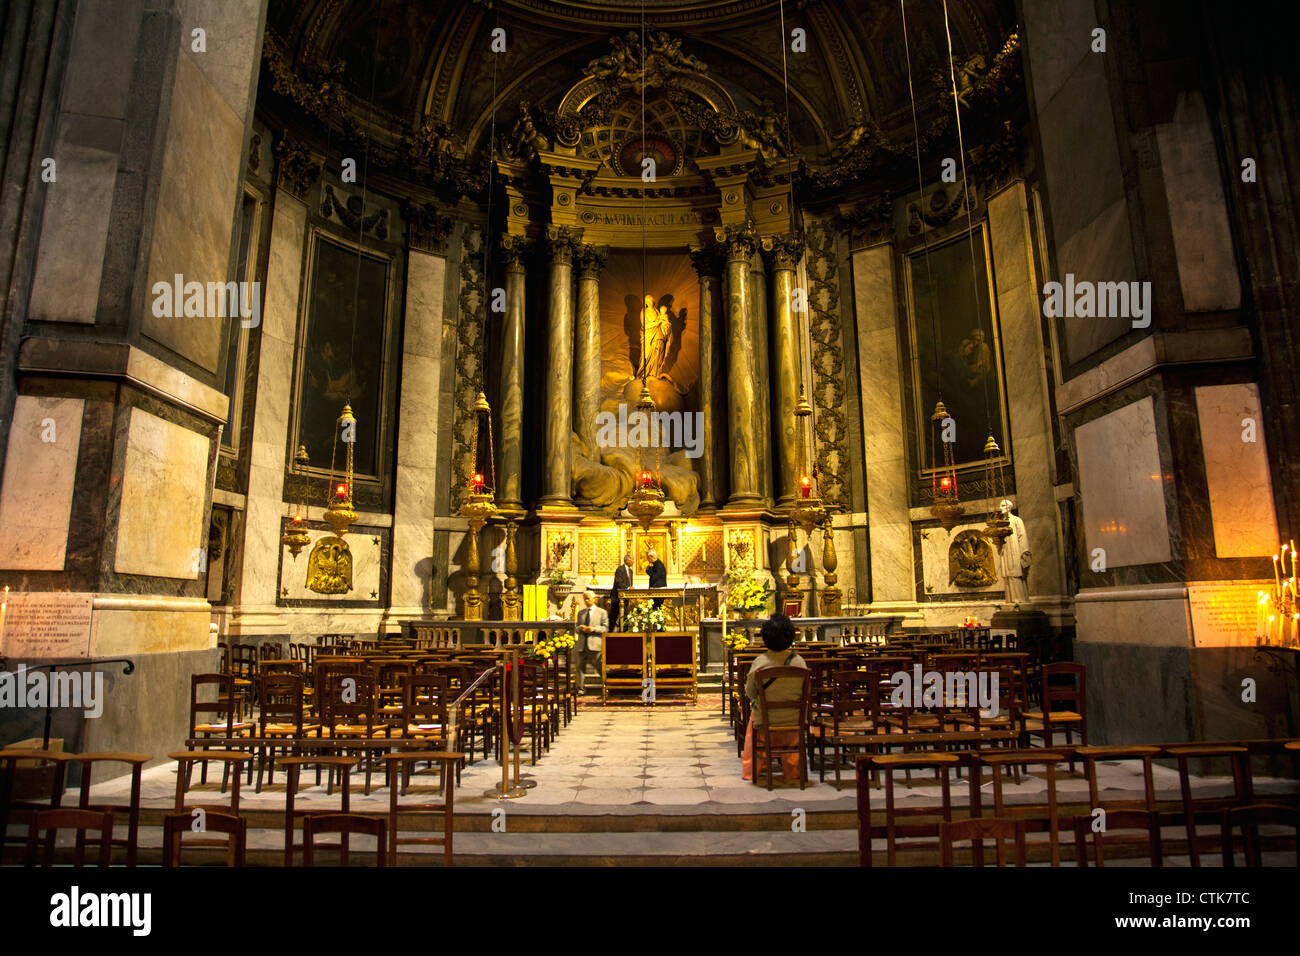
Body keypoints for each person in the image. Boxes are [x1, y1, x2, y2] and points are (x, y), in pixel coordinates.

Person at [741, 614, 808, 783]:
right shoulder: (800, 663)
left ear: (765, 638)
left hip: (765, 721)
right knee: (791, 733)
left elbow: (750, 693)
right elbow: (806, 692)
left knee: (751, 723)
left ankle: (751, 770)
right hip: (794, 720)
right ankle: (793, 771)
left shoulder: (760, 663)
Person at [574, 590, 608, 694]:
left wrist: (593, 629)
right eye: (585, 599)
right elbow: (576, 628)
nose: (586, 600)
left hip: (595, 644)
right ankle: (580, 689)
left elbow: (605, 628)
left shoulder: (602, 612)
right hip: (582, 644)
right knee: (580, 667)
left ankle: (606, 686)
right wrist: (581, 628)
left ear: (594, 599)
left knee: (599, 667)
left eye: (588, 598)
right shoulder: (581, 613)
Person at [611, 553, 634, 628]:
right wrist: (627, 588)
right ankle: (609, 631)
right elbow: (619, 582)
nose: (633, 561)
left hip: (626, 596)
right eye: (632, 559)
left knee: (625, 614)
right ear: (627, 560)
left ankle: (624, 630)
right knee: (614, 614)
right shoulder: (620, 569)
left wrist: (630, 588)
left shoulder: (630, 571)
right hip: (617, 597)